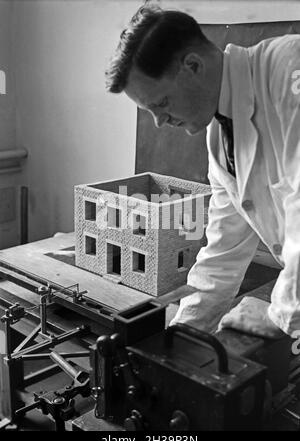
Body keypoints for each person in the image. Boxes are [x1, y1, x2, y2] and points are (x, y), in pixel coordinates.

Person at [105, 4, 300, 338]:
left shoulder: (288, 70)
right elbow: (224, 247)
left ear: (192, 65)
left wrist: (279, 314)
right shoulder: (220, 135)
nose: (160, 122)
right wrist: (182, 335)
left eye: (161, 104)